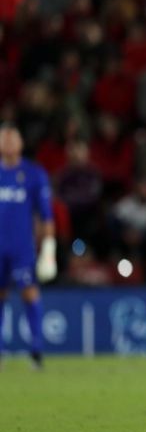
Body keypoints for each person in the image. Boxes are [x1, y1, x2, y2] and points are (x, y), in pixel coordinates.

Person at [0, 122, 56, 369]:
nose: (9, 143)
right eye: (5, 138)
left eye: (14, 138)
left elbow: (46, 216)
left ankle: (36, 350)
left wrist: (49, 251)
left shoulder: (34, 174)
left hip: (22, 247)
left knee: (29, 292)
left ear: (21, 144)